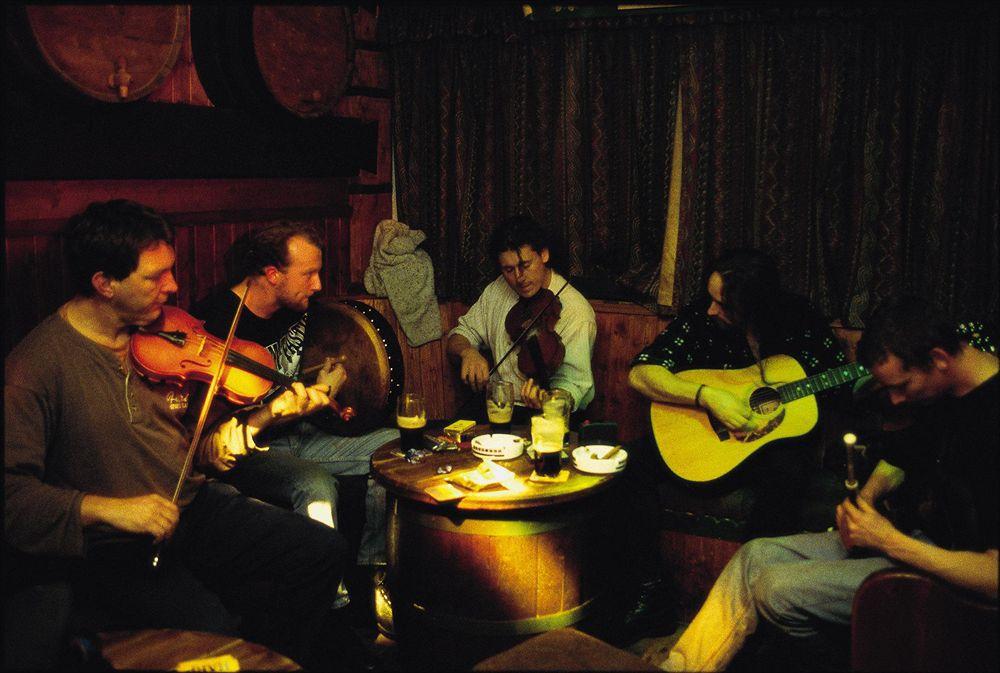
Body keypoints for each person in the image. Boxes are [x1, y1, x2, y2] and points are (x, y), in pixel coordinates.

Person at [3, 200, 357, 671]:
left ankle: (270, 660)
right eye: (155, 277)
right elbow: (12, 499)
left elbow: (200, 444)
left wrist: (247, 428)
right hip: (115, 542)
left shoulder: (167, 337)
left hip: (192, 507)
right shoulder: (36, 367)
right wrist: (112, 509)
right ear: (104, 283)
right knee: (213, 635)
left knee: (322, 552)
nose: (173, 286)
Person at [656, 294, 998, 672]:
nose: (897, 401)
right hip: (915, 541)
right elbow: (906, 454)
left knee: (775, 590)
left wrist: (888, 540)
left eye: (901, 386)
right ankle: (679, 667)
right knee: (754, 556)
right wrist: (866, 499)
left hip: (957, 588)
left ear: (938, 359)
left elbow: (994, 577)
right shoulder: (947, 390)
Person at [191, 221, 399, 612]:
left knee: (393, 449)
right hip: (251, 449)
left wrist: (329, 385)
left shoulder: (300, 308)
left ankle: (374, 574)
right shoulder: (216, 321)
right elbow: (211, 437)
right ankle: (328, 603)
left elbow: (317, 367)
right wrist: (271, 413)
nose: (318, 285)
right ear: (272, 274)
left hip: (301, 432)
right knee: (314, 484)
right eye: (309, 274)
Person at [628, 248, 850, 536]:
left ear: (752, 306)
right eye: (711, 299)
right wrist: (706, 395)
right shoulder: (701, 316)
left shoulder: (800, 318)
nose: (711, 309)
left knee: (788, 473)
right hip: (706, 443)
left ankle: (756, 571)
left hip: (773, 450)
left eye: (722, 304)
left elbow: (841, 382)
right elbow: (641, 373)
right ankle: (647, 578)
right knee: (626, 463)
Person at [446, 214, 596, 422]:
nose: (519, 278)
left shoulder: (577, 311)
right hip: (497, 408)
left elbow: (574, 387)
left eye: (525, 265)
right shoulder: (497, 290)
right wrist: (467, 352)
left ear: (543, 255)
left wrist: (548, 400)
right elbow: (459, 335)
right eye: (509, 269)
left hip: (547, 419)